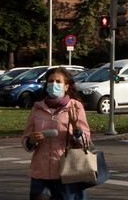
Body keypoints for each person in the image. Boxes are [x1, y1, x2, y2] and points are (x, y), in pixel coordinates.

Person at [21, 68, 91, 200]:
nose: (54, 84)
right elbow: (25, 140)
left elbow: (86, 141)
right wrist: (31, 140)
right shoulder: (37, 108)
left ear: (66, 86)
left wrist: (76, 127)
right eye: (51, 81)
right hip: (40, 172)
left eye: (58, 82)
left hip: (67, 171)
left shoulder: (76, 107)